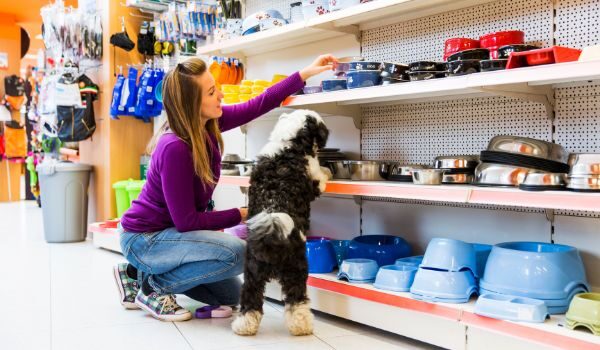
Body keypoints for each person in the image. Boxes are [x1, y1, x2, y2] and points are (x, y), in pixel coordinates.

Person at [114, 55, 337, 322]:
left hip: (170, 234)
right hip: (145, 238)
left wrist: (305, 72)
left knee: (232, 296)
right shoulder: (175, 147)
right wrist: (244, 214)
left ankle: (135, 273)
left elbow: (259, 103)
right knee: (236, 252)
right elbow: (187, 222)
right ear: (192, 104)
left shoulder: (208, 124)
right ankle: (153, 288)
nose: (220, 94)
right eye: (211, 92)